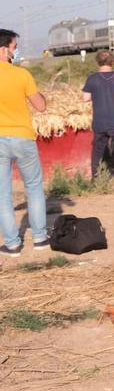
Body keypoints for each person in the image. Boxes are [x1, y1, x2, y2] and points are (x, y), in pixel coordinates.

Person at [0, 29, 48, 257]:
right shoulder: (22, 75)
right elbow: (40, 106)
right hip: (22, 137)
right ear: (3, 49)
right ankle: (39, 238)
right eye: (13, 47)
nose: (15, 51)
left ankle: (12, 244)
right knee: (34, 187)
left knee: (2, 194)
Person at [81, 50, 114, 188]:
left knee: (97, 151)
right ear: (113, 61)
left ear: (97, 61)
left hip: (99, 121)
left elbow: (85, 98)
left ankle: (96, 179)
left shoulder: (92, 78)